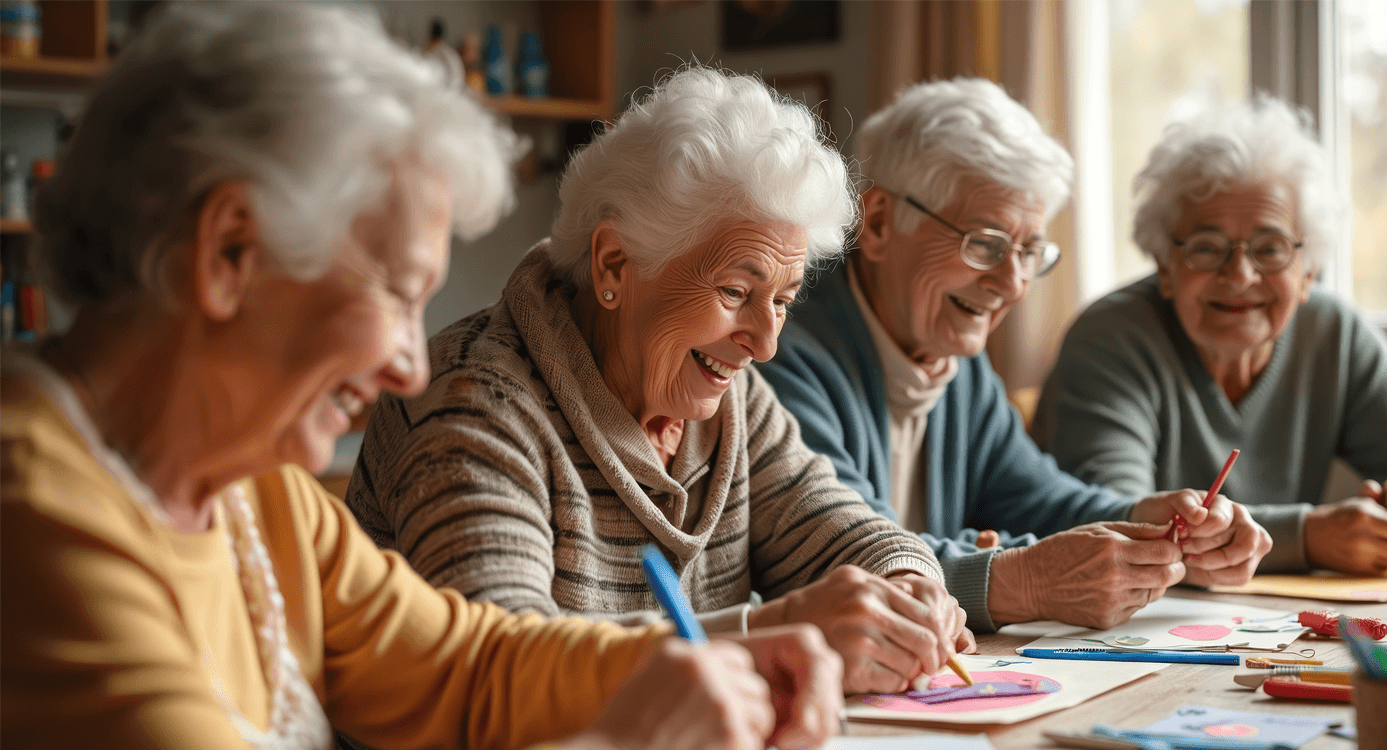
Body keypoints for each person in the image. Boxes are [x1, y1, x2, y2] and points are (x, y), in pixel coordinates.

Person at [0, 6, 845, 750]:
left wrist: (722, 661)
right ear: (231, 253)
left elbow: (466, 663)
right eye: (398, 294)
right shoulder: (37, 518)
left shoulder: (260, 498)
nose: (412, 362)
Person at [346, 66, 971, 695]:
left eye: (781, 300)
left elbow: (830, 522)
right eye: (735, 290)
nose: (766, 341)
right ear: (615, 263)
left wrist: (906, 585)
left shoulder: (727, 396)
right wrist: (764, 633)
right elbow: (499, 673)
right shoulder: (477, 404)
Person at [756, 78, 1273, 633]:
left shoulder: (955, 362)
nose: (1014, 282)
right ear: (880, 222)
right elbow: (836, 556)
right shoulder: (778, 351)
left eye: (1029, 251)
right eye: (984, 243)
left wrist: (1146, 520)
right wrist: (1017, 579)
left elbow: (1036, 499)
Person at [1034, 97, 1387, 575]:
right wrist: (1308, 538)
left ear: (1308, 270)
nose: (1239, 275)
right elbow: (1116, 524)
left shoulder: (1333, 334)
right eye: (1207, 248)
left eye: (1270, 248)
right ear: (1164, 266)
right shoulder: (1110, 339)